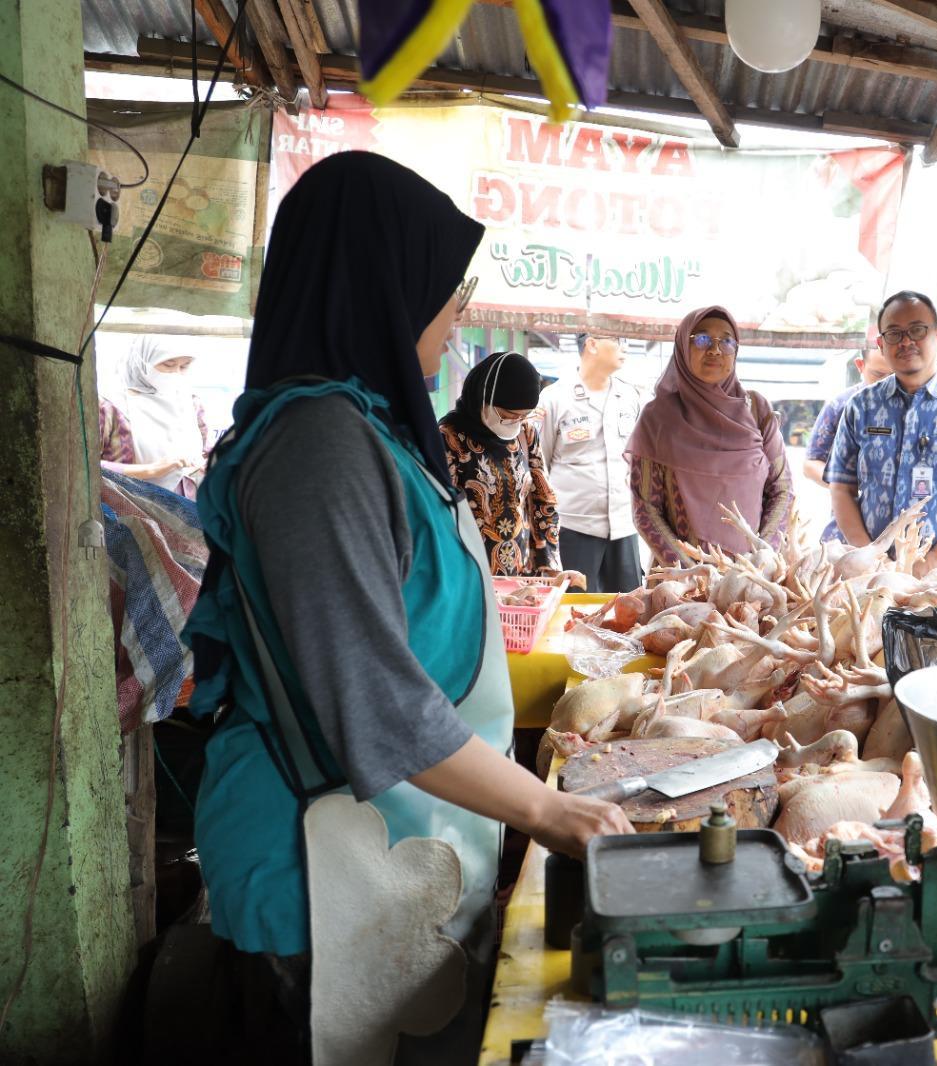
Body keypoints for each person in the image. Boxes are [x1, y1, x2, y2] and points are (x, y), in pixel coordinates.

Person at [180, 152, 630, 1064]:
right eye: (447, 295)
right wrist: (547, 813)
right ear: (381, 282)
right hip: (319, 870)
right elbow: (375, 703)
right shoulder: (317, 449)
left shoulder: (367, 432)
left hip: (388, 844)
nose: (453, 322)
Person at [826, 291, 937, 572]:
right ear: (881, 344)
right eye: (894, 333)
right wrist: (869, 556)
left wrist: (934, 561)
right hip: (868, 575)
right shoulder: (861, 406)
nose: (906, 341)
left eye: (917, 330)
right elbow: (841, 488)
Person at [627, 307, 794, 563]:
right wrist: (691, 570)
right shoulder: (659, 418)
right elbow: (646, 508)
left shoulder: (757, 411)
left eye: (726, 341)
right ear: (683, 347)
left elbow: (781, 490)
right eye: (702, 339)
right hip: (681, 584)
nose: (715, 350)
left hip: (752, 579)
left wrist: (763, 556)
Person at [441, 350, 578, 582]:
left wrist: (550, 566)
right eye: (507, 415)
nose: (514, 423)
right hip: (467, 575)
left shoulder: (525, 434)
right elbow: (440, 514)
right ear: (483, 398)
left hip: (520, 578)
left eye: (522, 416)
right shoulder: (448, 439)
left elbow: (543, 502)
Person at [533, 333, 646, 592]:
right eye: (618, 340)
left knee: (627, 611)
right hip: (573, 528)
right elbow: (539, 465)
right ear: (592, 344)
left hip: (623, 527)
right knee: (574, 613)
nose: (624, 347)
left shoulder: (629, 397)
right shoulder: (555, 398)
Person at [804, 346, 894, 543]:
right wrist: (845, 485)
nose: (887, 383)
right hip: (846, 528)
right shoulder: (841, 405)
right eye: (878, 374)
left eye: (895, 374)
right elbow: (811, 464)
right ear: (860, 366)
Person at [109, 338, 210, 498]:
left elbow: (206, 451)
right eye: (168, 365)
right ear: (142, 362)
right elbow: (88, 465)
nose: (176, 373)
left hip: (185, 510)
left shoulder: (191, 403)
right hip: (131, 508)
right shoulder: (112, 407)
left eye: (184, 366)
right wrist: (152, 470)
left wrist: (207, 464)